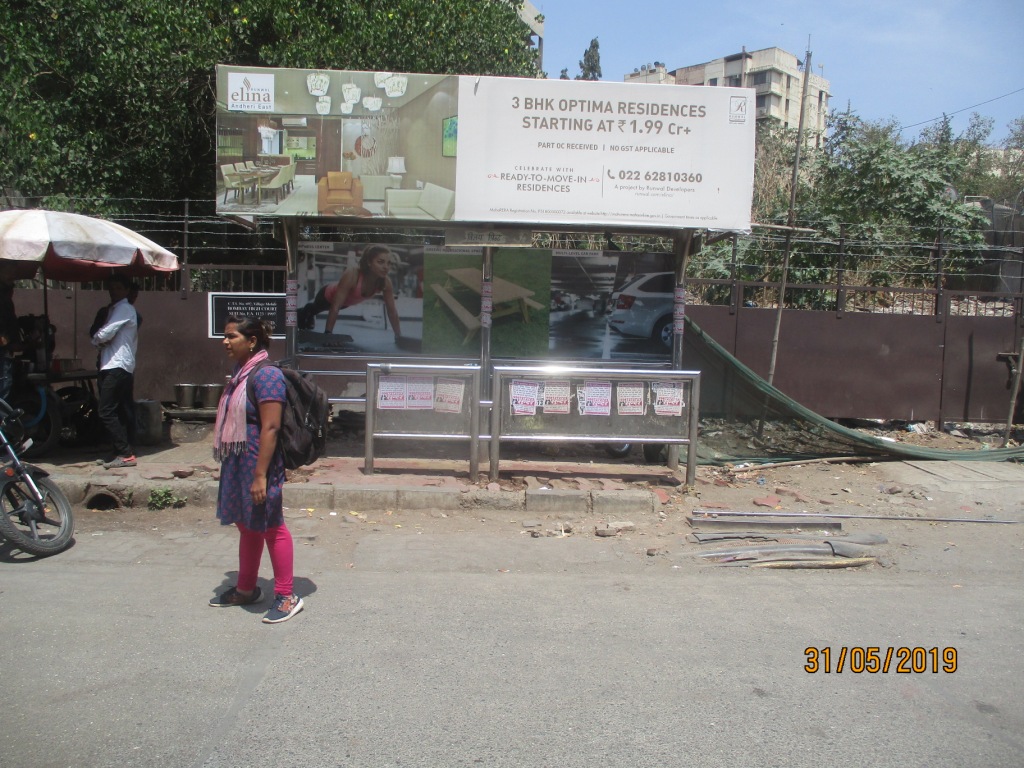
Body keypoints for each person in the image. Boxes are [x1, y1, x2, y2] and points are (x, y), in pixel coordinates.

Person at [208, 315, 303, 624]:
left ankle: (287, 596)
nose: (225, 341)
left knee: (271, 525)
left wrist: (260, 475)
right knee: (247, 524)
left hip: (258, 462)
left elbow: (271, 428)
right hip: (239, 461)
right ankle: (247, 588)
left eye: (232, 336)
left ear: (251, 341)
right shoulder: (240, 375)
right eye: (225, 336)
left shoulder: (266, 376)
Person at [297, 244, 402, 340]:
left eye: (388, 263)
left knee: (316, 310)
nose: (386, 267)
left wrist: (398, 335)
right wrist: (328, 334)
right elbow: (335, 307)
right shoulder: (352, 274)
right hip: (326, 296)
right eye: (380, 262)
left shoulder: (385, 281)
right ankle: (305, 311)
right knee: (316, 308)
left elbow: (392, 311)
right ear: (369, 262)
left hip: (345, 303)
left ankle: (308, 313)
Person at [91, 275, 138, 469]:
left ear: (126, 290)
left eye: (119, 287)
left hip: (117, 365)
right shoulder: (113, 310)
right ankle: (118, 450)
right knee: (117, 409)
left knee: (105, 410)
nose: (114, 291)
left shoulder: (124, 309)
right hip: (111, 363)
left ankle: (125, 453)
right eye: (111, 288)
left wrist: (97, 339)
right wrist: (99, 339)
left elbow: (104, 334)